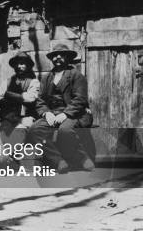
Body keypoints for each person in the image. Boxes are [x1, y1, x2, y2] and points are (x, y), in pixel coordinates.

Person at [29, 43, 94, 173]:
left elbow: (80, 99)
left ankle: (80, 157)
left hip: (75, 113)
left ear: (68, 57)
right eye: (54, 55)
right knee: (35, 130)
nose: (57, 57)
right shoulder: (47, 77)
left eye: (61, 55)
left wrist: (65, 114)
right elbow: (40, 100)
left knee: (65, 131)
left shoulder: (76, 75)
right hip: (53, 113)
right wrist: (46, 113)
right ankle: (58, 160)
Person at [0, 51, 40, 161]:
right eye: (17, 64)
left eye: (23, 63)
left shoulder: (33, 82)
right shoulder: (7, 82)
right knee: (3, 134)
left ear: (28, 65)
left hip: (25, 117)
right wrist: (20, 97)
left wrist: (9, 94)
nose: (19, 66)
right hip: (9, 117)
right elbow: (0, 98)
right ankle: (7, 158)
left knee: (20, 130)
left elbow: (31, 98)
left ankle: (15, 157)